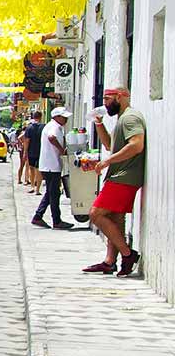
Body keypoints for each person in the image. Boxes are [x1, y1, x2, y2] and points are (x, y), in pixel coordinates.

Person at [83, 87, 146, 277]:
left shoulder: (130, 118)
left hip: (124, 176)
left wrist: (107, 161)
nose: (105, 102)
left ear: (120, 96)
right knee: (114, 218)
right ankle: (110, 262)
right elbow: (110, 145)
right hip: (121, 175)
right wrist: (99, 124)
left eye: (108, 98)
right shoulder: (122, 118)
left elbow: (136, 145)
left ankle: (128, 255)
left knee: (96, 214)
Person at [30, 108, 74, 230]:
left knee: (50, 192)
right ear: (57, 117)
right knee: (54, 193)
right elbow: (51, 138)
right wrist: (61, 150)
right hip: (51, 165)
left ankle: (38, 216)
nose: (66, 119)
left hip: (50, 164)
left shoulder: (52, 126)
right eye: (63, 117)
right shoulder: (54, 127)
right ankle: (57, 220)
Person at [23, 110, 44, 193]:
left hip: (31, 151)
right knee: (39, 169)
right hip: (41, 151)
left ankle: (32, 186)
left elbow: (27, 140)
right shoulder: (44, 127)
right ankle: (38, 189)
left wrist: (25, 152)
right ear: (41, 117)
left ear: (33, 117)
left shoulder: (29, 127)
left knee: (31, 169)